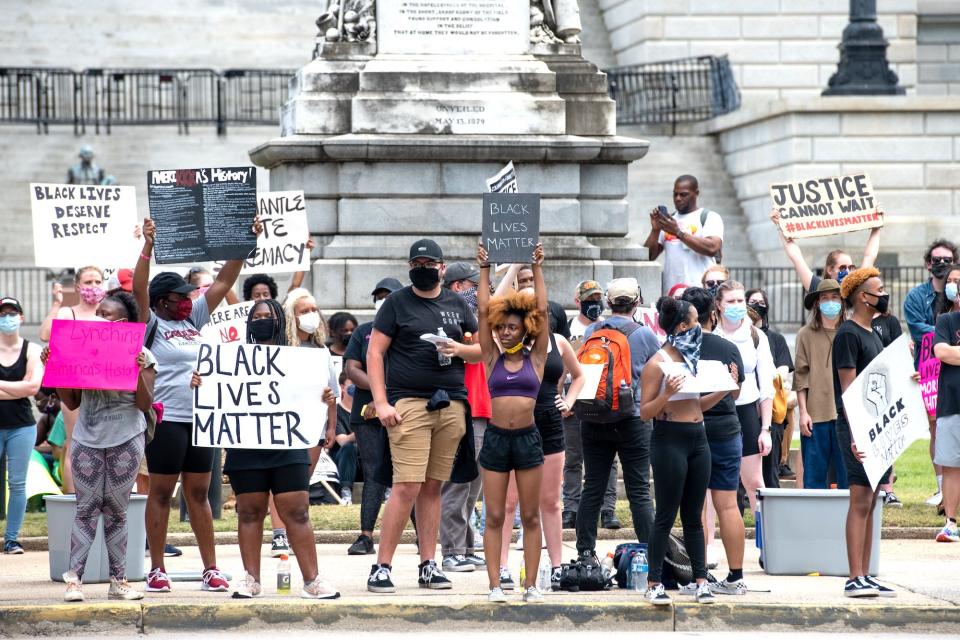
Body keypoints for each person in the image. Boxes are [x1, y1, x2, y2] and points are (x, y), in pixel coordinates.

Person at [194, 299, 339, 599]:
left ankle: (313, 580)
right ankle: (251, 579)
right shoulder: (231, 358)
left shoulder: (300, 358)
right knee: (249, 511)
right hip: (247, 444)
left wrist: (322, 397)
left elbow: (323, 396)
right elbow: (217, 390)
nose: (262, 320)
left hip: (288, 442)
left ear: (279, 321)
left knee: (297, 510)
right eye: (256, 316)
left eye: (268, 316)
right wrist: (200, 383)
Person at [134, 216, 249, 593]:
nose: (188, 301)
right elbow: (138, 291)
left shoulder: (197, 318)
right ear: (162, 300)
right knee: (162, 494)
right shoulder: (151, 322)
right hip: (166, 419)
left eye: (188, 296)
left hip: (202, 419)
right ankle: (157, 568)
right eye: (181, 297)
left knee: (199, 495)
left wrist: (243, 241)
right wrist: (147, 247)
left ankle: (210, 568)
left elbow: (224, 282)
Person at [365, 239, 481, 593]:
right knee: (406, 486)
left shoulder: (458, 302)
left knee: (433, 487)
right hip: (410, 403)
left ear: (443, 269)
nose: (424, 267)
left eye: (431, 263)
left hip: (452, 404)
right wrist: (382, 403)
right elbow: (374, 352)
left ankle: (428, 564)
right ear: (410, 266)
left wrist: (459, 348)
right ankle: (382, 566)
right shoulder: (397, 303)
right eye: (418, 262)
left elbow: (480, 351)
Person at [49, 292, 155, 602]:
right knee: (86, 508)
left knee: (117, 510)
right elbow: (71, 401)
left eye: (106, 314)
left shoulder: (144, 354)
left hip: (126, 437)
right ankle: (74, 581)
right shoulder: (83, 349)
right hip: (88, 437)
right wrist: (58, 367)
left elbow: (144, 402)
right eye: (98, 311)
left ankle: (118, 580)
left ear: (121, 322)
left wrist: (137, 370)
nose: (98, 318)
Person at [497, 273, 585, 590]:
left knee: (550, 501)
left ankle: (558, 565)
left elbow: (579, 376)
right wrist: (515, 268)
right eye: (526, 303)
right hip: (514, 424)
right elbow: (492, 305)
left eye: (538, 303)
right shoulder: (505, 338)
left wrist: (569, 400)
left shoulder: (558, 341)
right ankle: (503, 565)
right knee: (508, 502)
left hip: (549, 422)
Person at [475, 242, 549, 603]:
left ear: (525, 329)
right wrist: (486, 268)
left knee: (531, 516)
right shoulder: (491, 358)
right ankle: (493, 585)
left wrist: (537, 268)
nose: (505, 332)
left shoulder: (536, 359)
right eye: (501, 327)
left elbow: (544, 310)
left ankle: (531, 584)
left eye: (512, 328)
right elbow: (483, 309)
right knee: (493, 515)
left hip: (527, 439)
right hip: (495, 440)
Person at [640, 297, 725, 606]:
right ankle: (654, 581)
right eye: (696, 321)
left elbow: (696, 406)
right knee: (665, 513)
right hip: (669, 439)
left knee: (694, 515)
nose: (701, 327)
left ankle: (700, 580)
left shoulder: (693, 360)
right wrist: (667, 394)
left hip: (697, 438)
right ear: (683, 326)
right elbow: (645, 412)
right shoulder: (657, 363)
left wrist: (725, 389)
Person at [575, 278, 660, 564]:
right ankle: (649, 553)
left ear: (608, 303)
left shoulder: (591, 330)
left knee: (593, 487)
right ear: (637, 302)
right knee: (638, 490)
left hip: (593, 416)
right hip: (631, 418)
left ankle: (586, 552)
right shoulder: (645, 335)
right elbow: (659, 370)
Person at [833, 267, 897, 597]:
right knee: (859, 500)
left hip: (878, 427)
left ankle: (866, 573)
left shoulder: (875, 332)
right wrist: (858, 435)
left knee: (871, 502)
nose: (884, 293)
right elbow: (849, 390)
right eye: (880, 289)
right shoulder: (848, 334)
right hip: (859, 430)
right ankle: (853, 576)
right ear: (863, 297)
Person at [681, 287, 747, 595]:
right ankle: (736, 575)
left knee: (693, 507)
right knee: (728, 504)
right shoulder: (728, 348)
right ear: (714, 313)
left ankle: (698, 577)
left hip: (691, 429)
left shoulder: (680, 348)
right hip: (726, 430)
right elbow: (736, 391)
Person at [343, 277, 403, 556]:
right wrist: (379, 389)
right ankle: (366, 535)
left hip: (404, 410)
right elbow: (352, 368)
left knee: (408, 474)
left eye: (388, 295)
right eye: (378, 296)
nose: (383, 300)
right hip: (366, 414)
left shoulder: (407, 331)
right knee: (374, 471)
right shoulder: (364, 332)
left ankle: (419, 536)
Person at [439, 262, 490, 573]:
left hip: (483, 410)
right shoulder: (456, 325)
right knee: (457, 485)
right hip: (465, 409)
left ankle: (466, 547)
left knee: (472, 488)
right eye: (476, 285)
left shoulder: (475, 322)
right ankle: (452, 550)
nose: (482, 293)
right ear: (458, 286)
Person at [40, 266, 107, 494]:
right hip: (74, 386)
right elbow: (46, 334)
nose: (93, 285)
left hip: (103, 389)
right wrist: (57, 303)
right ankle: (72, 497)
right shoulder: (69, 313)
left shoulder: (107, 314)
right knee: (74, 443)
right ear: (78, 286)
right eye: (88, 282)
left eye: (98, 281)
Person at [904, 239, 959, 509]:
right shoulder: (916, 296)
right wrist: (942, 339)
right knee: (936, 428)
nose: (941, 265)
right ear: (928, 264)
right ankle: (941, 489)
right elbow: (918, 329)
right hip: (927, 371)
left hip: (951, 365)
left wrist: (939, 339)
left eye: (947, 260)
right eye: (936, 260)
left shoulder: (956, 295)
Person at [712, 282, 774, 517]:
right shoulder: (710, 334)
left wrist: (765, 428)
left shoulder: (755, 336)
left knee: (755, 482)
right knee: (709, 488)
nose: (737, 306)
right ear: (718, 305)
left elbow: (766, 385)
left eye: (740, 301)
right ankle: (707, 549)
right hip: (716, 410)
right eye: (731, 301)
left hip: (747, 410)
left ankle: (765, 545)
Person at [562, 279, 620, 531]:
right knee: (573, 457)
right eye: (589, 300)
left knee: (609, 458)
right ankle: (571, 508)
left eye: (598, 300)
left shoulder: (607, 328)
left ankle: (608, 510)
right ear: (578, 302)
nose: (594, 305)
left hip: (602, 397)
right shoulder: (566, 329)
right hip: (573, 395)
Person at [0, 297, 44, 554]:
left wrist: (12, 387)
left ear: (21, 317)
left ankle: (12, 539)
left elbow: (33, 387)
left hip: (21, 426)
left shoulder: (32, 349)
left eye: (12, 313)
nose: (7, 318)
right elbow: (25, 387)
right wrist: (19, 387)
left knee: (17, 483)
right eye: (3, 313)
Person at [795, 280, 848, 491]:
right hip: (815, 416)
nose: (830, 302)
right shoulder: (805, 335)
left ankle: (847, 523)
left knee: (847, 478)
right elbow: (801, 375)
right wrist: (803, 412)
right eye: (824, 298)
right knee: (814, 478)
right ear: (817, 303)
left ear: (843, 302)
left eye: (835, 297)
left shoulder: (850, 331)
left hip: (845, 416)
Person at [284, 288, 339, 473]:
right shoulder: (281, 349)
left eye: (314, 310)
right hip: (285, 425)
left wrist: (331, 428)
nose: (311, 315)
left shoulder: (322, 351)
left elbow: (332, 394)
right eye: (304, 311)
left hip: (315, 427)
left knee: (302, 483)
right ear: (293, 316)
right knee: (282, 483)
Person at [769, 207, 883, 294]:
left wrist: (877, 225)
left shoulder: (856, 288)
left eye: (851, 267)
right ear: (830, 269)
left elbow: (870, 256)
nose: (848, 272)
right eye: (843, 267)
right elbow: (796, 256)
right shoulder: (818, 287)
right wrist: (780, 225)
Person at [746, 288, 795, 488]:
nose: (756, 306)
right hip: (747, 408)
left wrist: (768, 378)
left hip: (770, 408)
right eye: (751, 301)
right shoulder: (738, 337)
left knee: (769, 468)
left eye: (761, 302)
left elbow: (783, 371)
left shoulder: (775, 339)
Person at [644, 175, 724, 294]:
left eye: (683, 194)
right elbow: (649, 256)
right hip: (673, 294)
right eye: (675, 194)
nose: (678, 198)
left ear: (696, 193)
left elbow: (712, 247)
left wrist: (678, 232)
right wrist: (655, 230)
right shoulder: (669, 221)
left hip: (702, 293)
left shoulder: (709, 217)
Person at [933, 265, 960, 543]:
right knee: (951, 465)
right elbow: (941, 351)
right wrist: (950, 353)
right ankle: (950, 521)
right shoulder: (946, 321)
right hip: (951, 403)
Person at [516, 265, 571, 341]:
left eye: (532, 279)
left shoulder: (556, 309)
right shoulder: (510, 311)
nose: (529, 284)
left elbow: (566, 341)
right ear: (514, 284)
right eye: (523, 281)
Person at [333, 371, 358, 505]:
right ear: (342, 386)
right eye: (353, 383)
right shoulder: (336, 411)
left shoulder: (369, 409)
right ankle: (346, 492)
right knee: (349, 448)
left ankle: (388, 490)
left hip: (366, 460)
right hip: (344, 463)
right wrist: (362, 430)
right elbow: (342, 441)